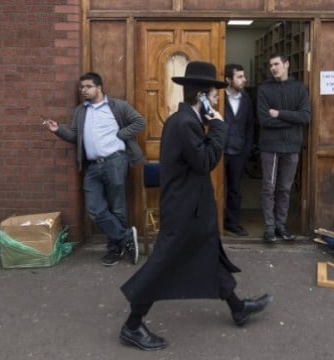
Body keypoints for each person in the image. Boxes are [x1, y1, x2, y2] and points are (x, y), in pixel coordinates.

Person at [119, 61, 271, 351]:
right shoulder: (185, 123)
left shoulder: (186, 120)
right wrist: (218, 126)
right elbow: (205, 162)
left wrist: (212, 125)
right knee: (162, 265)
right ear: (201, 96)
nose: (216, 100)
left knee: (209, 254)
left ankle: (238, 308)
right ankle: (132, 325)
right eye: (213, 95)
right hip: (183, 211)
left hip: (193, 208)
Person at [43, 72, 145, 266]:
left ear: (99, 88)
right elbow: (75, 136)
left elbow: (139, 122)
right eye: (81, 87)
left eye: (88, 86)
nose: (84, 90)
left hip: (115, 162)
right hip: (92, 167)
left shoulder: (118, 106)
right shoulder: (81, 111)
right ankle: (126, 237)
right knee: (94, 209)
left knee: (118, 208)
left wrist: (121, 133)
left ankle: (116, 250)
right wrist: (58, 130)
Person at [257, 54, 311, 243]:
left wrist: (279, 114)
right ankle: (270, 228)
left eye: (277, 64)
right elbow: (264, 120)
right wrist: (291, 120)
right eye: (270, 65)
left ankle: (281, 225)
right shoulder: (264, 89)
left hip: (292, 147)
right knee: (268, 188)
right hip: (270, 146)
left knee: (285, 189)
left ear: (286, 64)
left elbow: (305, 117)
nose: (273, 68)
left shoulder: (300, 88)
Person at [222, 63, 255, 237]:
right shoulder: (218, 97)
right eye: (240, 77)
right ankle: (213, 222)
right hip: (219, 151)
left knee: (235, 189)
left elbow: (250, 126)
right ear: (228, 79)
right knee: (215, 187)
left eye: (244, 76)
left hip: (239, 151)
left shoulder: (247, 99)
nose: (244, 80)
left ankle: (232, 223)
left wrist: (247, 149)